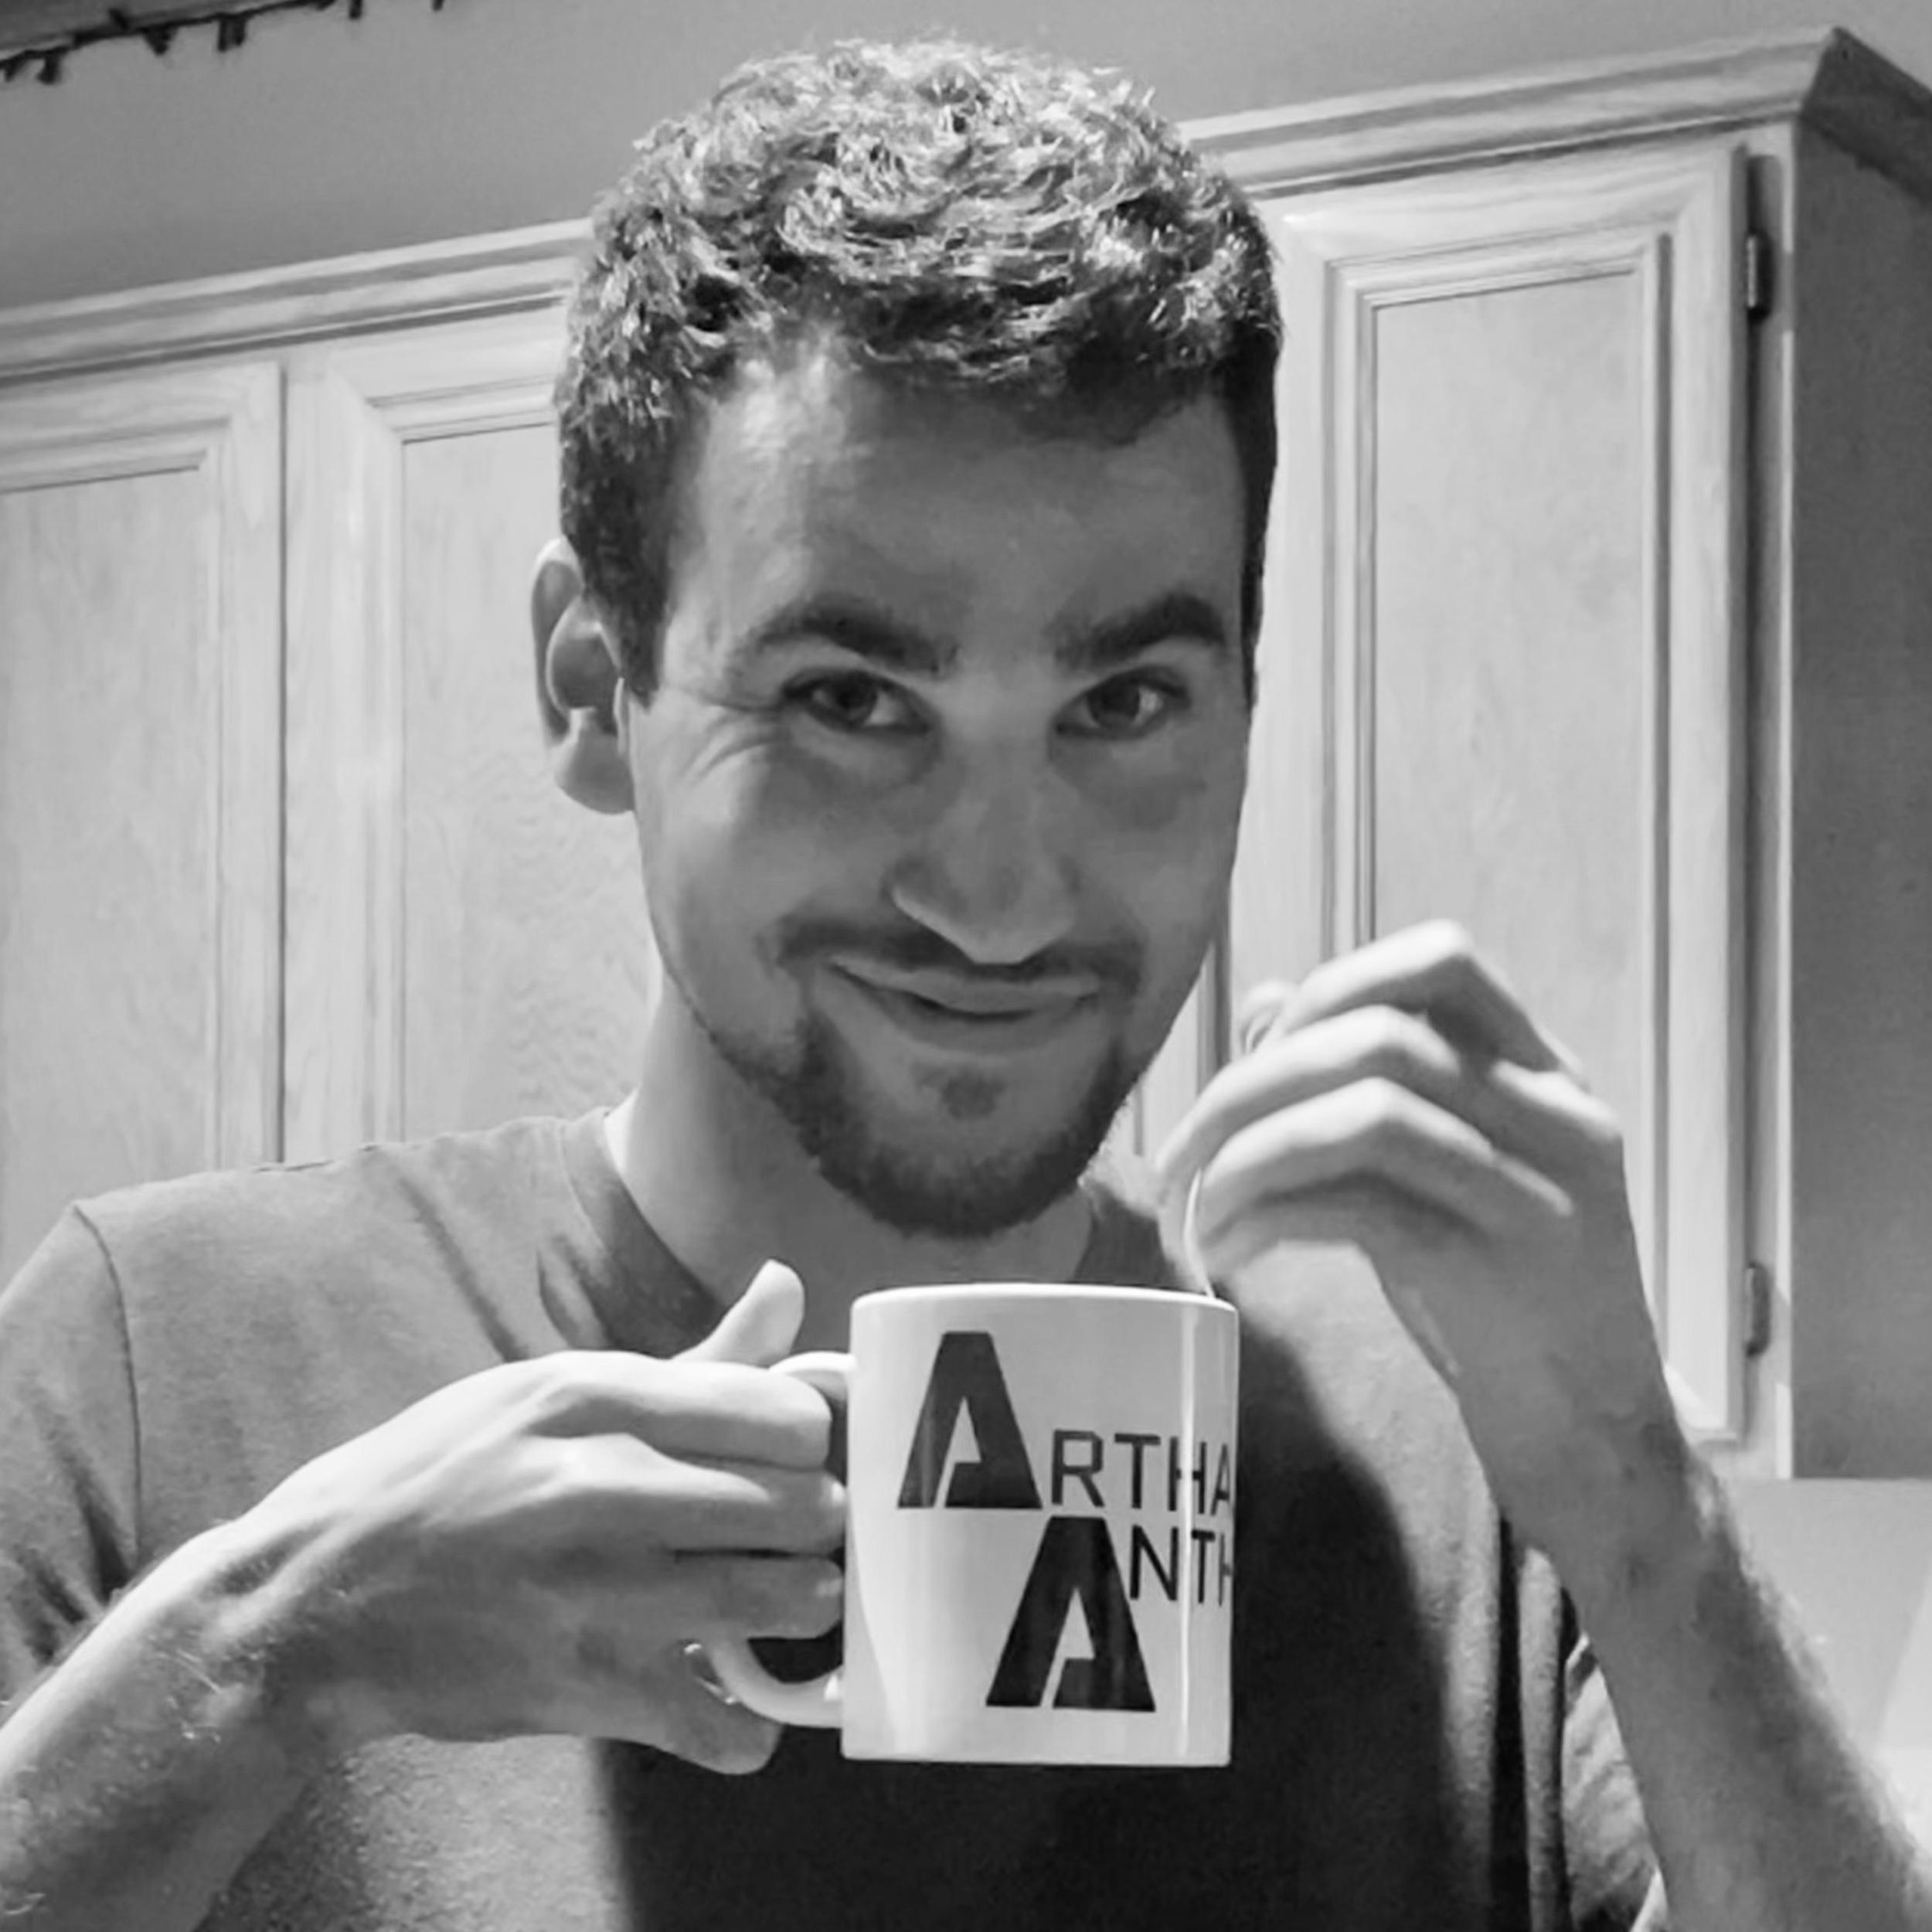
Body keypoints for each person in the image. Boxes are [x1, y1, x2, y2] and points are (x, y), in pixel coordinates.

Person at [0, 34, 1926, 1932]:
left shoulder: (1443, 1457)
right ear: (595, 685)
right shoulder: (174, 1370)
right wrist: (267, 1655)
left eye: (1124, 701)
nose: (999, 899)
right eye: (850, 699)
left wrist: (1638, 1496)